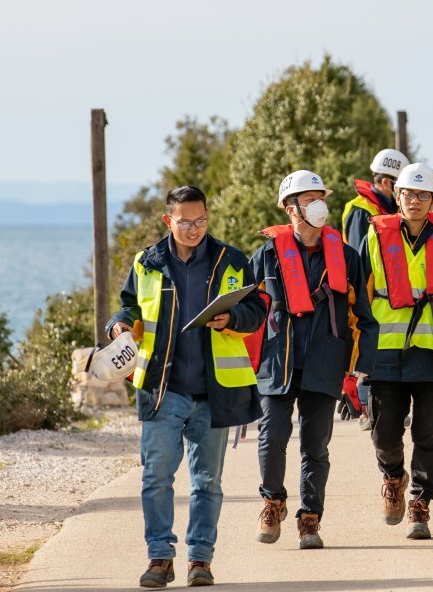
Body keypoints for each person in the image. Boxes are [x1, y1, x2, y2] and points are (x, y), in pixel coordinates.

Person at [106, 185, 265, 588]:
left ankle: (200, 560)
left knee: (207, 481)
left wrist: (233, 319)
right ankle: (160, 557)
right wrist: (119, 324)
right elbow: (129, 305)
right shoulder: (147, 262)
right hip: (161, 389)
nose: (194, 229)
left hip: (215, 393)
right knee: (156, 476)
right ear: (168, 221)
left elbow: (256, 309)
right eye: (185, 222)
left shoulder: (232, 259)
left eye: (201, 221)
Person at [248, 170, 378, 550]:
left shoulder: (348, 257)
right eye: (309, 199)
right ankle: (273, 501)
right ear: (291, 209)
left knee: (315, 445)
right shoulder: (265, 258)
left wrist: (361, 364)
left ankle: (309, 517)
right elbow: (247, 315)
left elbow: (366, 318)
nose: (319, 205)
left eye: (321, 197)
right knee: (271, 438)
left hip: (325, 361)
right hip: (277, 363)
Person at [357, 162, 433, 540]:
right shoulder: (373, 238)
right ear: (396, 196)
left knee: (427, 433)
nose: (414, 201)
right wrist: (356, 360)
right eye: (407, 193)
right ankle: (392, 477)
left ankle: (420, 503)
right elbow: (360, 299)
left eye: (422, 194)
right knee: (384, 433)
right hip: (385, 351)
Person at [342, 148, 411, 431]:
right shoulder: (362, 210)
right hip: (367, 292)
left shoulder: (383, 209)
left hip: (386, 293)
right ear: (386, 183)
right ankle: (365, 408)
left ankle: (376, 406)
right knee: (367, 344)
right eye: (400, 188)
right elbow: (362, 260)